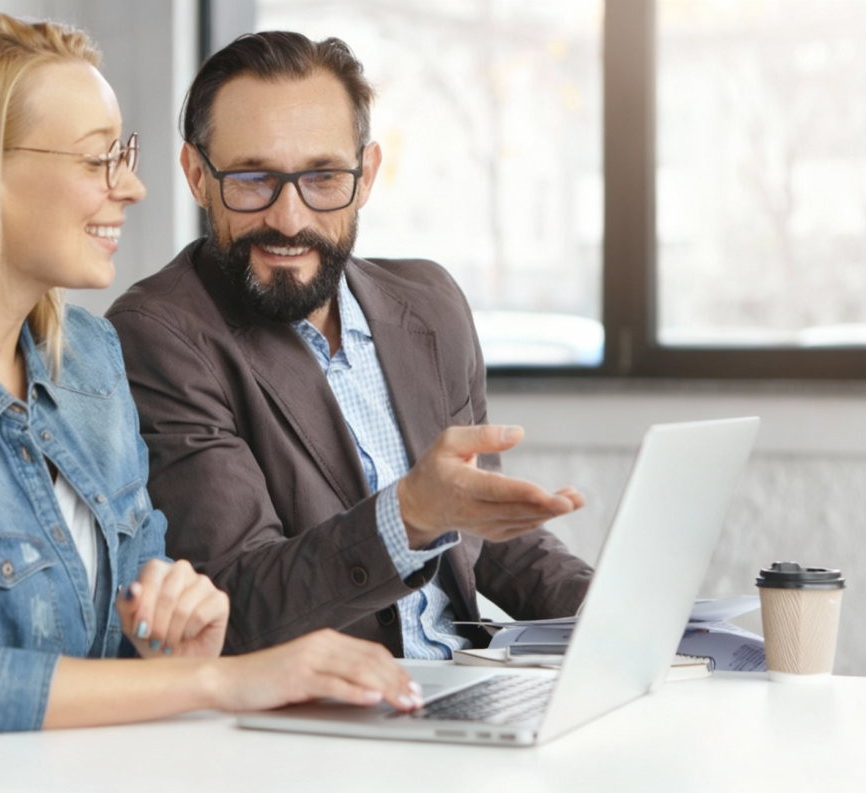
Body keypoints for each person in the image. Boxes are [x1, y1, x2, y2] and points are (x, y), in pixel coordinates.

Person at [0, 13, 418, 793]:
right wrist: (219, 680)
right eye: (98, 159)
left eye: (124, 155)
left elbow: (123, 639)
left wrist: (174, 638)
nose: (133, 185)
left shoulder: (88, 359)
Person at [106, 31, 594, 660]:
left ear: (365, 177)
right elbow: (234, 601)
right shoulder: (159, 334)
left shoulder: (431, 303)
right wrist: (408, 517)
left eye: (324, 177)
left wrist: (619, 618)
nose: (289, 218)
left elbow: (485, 537)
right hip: (328, 717)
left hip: (468, 682)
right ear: (198, 177)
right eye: (253, 180)